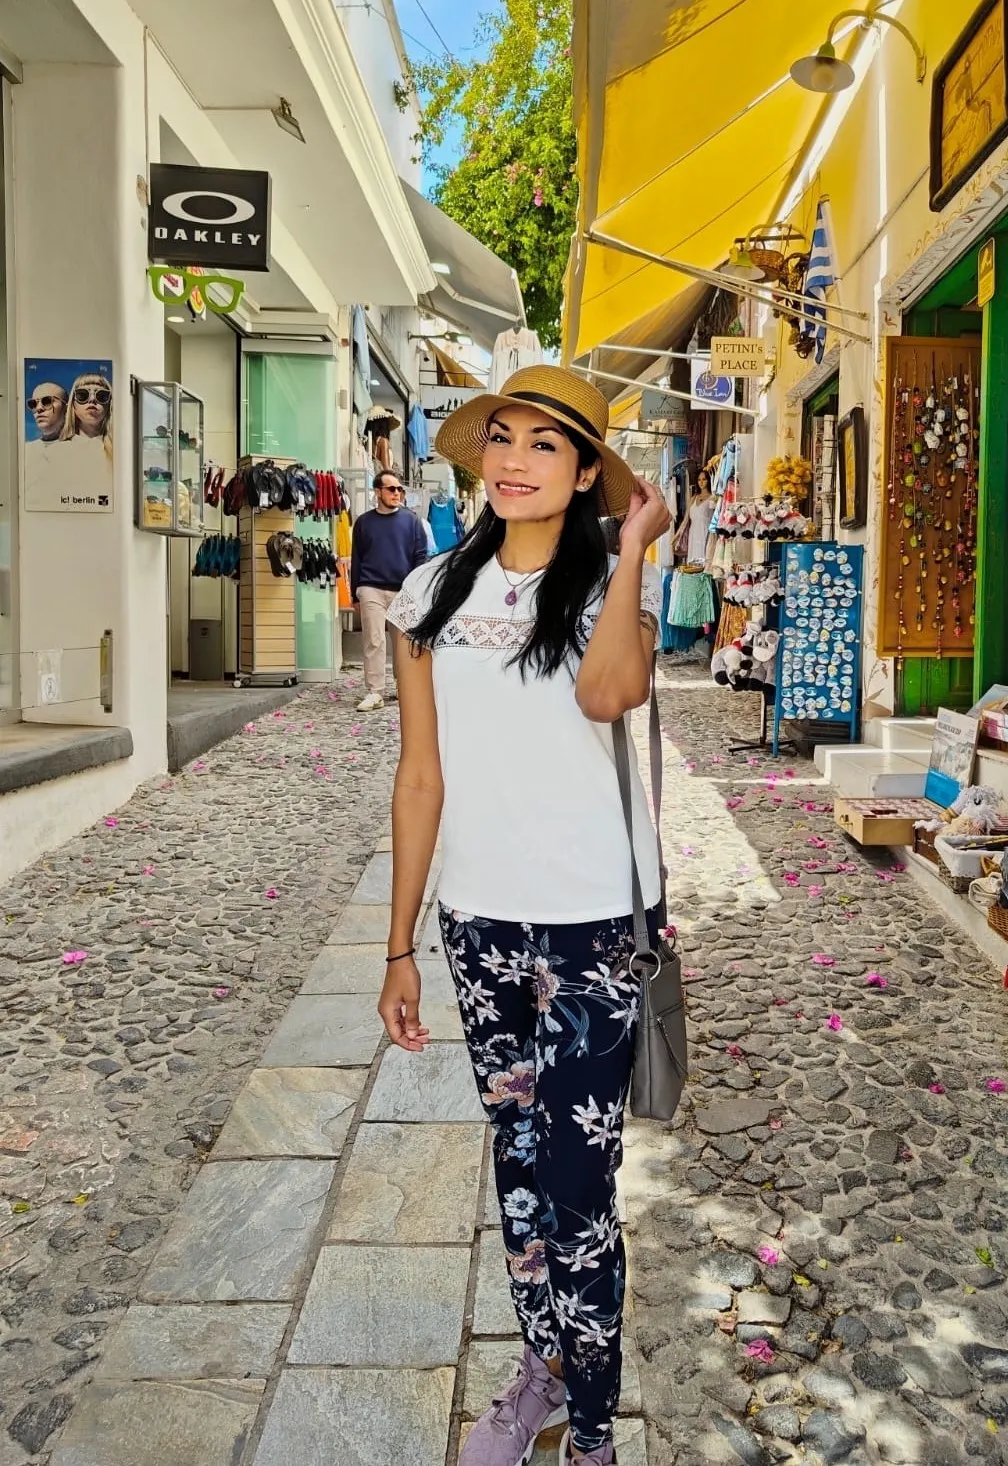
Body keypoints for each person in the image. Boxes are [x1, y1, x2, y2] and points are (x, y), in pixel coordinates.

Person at [378, 365, 671, 1466]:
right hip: (480, 924)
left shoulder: (611, 588)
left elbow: (606, 696)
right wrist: (400, 943)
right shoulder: (433, 593)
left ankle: (594, 1430)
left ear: (587, 471)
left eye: (544, 445)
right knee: (517, 1165)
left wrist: (634, 545)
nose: (511, 459)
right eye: (499, 438)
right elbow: (420, 777)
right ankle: (543, 1369)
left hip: (595, 925)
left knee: (579, 1192)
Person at [350, 470, 428, 712]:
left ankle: (402, 685)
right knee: (374, 639)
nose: (397, 493)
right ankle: (375, 692)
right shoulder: (363, 522)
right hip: (370, 586)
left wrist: (416, 590)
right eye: (391, 489)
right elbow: (357, 558)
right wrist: (355, 592)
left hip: (403, 590)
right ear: (377, 492)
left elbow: (420, 557)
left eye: (399, 489)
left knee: (402, 643)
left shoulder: (412, 521)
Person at [62, 373, 113, 455]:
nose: (92, 399)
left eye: (102, 395)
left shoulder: (121, 448)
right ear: (73, 404)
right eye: (82, 395)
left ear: (110, 404)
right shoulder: (58, 451)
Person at [672, 468, 714, 565]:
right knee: (693, 562)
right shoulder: (693, 498)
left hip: (706, 534)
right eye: (699, 480)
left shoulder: (712, 498)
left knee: (705, 560)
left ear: (708, 480)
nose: (701, 482)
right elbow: (685, 520)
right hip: (693, 535)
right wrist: (676, 536)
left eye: (704, 479)